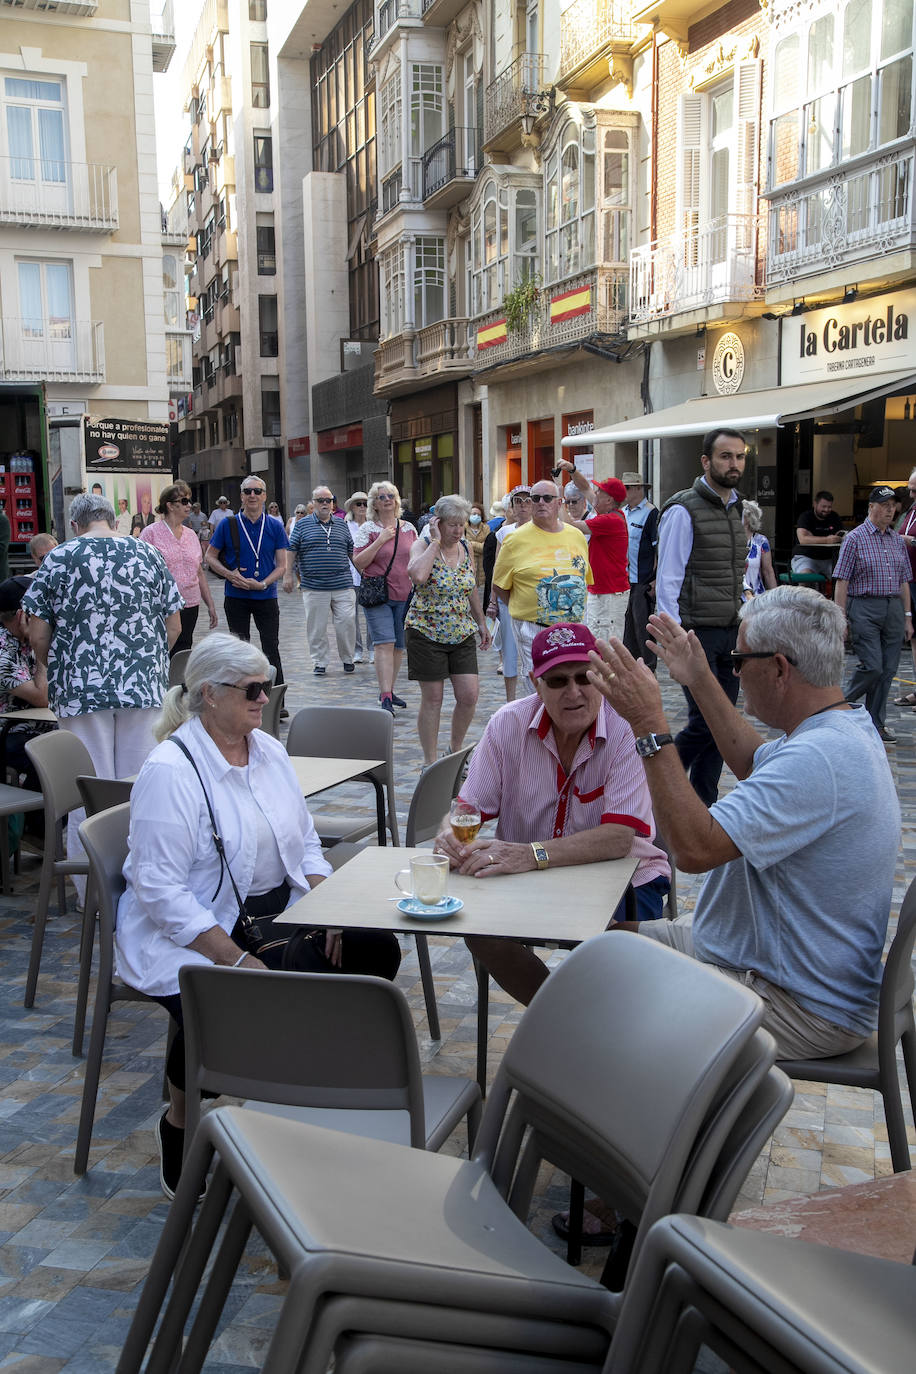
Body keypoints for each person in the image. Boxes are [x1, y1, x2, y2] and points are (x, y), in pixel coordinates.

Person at [114, 634, 401, 1198]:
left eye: (267, 686)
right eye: (251, 689)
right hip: (194, 927)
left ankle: (303, 1090)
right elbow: (160, 890)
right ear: (209, 694)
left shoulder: (266, 750)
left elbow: (306, 844)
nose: (264, 698)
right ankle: (181, 1119)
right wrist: (235, 958)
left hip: (273, 912)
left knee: (372, 949)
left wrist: (328, 904)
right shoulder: (171, 771)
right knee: (239, 995)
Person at [588, 586, 900, 1061]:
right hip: (761, 957)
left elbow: (694, 849)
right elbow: (754, 761)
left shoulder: (821, 756)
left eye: (738, 660)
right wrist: (699, 679)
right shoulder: (840, 726)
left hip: (795, 1000)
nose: (733, 671)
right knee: (602, 941)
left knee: (597, 1006)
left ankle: (627, 1105)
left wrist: (648, 723)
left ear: (779, 668)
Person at [433, 622, 670, 1007]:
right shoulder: (506, 724)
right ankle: (561, 1015)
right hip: (529, 881)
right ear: (536, 683)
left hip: (626, 877)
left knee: (616, 952)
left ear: (601, 677)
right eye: (558, 681)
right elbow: (467, 809)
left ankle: (591, 1022)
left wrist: (531, 854)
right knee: (478, 929)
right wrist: (449, 834)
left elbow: (618, 838)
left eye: (584, 677)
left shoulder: (627, 728)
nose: (574, 692)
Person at [23, 493, 182, 879]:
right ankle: (143, 878)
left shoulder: (59, 557)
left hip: (80, 686)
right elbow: (174, 625)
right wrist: (147, 663)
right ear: (113, 520)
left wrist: (59, 667)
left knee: (87, 790)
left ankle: (91, 887)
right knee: (138, 785)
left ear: (74, 525)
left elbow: (37, 633)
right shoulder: (149, 554)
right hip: (141, 683)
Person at [655, 428, 747, 805]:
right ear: (706, 462)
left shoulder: (737, 507)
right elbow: (668, 579)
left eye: (739, 456)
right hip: (696, 634)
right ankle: (655, 785)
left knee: (722, 723)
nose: (734, 464)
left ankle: (704, 803)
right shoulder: (683, 509)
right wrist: (674, 638)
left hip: (730, 632)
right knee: (707, 722)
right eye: (726, 456)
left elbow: (735, 572)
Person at [406, 495, 491, 766]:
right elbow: (418, 576)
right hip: (426, 631)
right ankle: (430, 763)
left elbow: (470, 588)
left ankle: (454, 752)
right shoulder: (421, 545)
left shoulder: (465, 547)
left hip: (461, 631)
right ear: (437, 523)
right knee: (433, 698)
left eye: (461, 524)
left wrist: (481, 622)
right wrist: (434, 542)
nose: (457, 530)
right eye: (452, 524)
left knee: (469, 695)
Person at [492, 479, 591, 696]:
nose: (540, 503)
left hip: (573, 626)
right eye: (535, 498)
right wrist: (524, 608)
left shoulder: (576, 536)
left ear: (559, 503)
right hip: (532, 626)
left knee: (571, 683)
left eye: (547, 498)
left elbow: (584, 576)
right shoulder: (514, 539)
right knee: (539, 686)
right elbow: (499, 584)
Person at [833, 484, 912, 743]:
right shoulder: (855, 538)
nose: (890, 511)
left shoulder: (896, 540)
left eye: (893, 506)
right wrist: (840, 617)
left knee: (888, 670)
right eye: (884, 506)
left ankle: (876, 723)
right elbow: (842, 580)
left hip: (893, 607)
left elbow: (904, 580)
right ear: (871, 507)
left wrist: (908, 616)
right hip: (864, 606)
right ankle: (838, 704)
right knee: (873, 666)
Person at [205, 477, 291, 688]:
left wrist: (263, 584)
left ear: (264, 496)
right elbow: (210, 557)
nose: (252, 495)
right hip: (236, 596)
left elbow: (282, 566)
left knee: (271, 648)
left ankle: (276, 699)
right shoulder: (228, 524)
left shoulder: (274, 525)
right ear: (241, 496)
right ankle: (242, 695)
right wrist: (229, 575)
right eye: (248, 491)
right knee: (239, 650)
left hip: (266, 595)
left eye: (257, 491)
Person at [352, 481, 417, 714]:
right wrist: (380, 540)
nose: (387, 499)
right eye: (382, 497)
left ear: (397, 500)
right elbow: (359, 561)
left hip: (404, 594)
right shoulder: (368, 529)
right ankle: (386, 696)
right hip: (378, 595)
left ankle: (389, 689)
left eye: (391, 495)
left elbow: (416, 558)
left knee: (398, 646)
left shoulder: (409, 528)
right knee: (384, 643)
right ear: (375, 504)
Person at [140, 481, 218, 656]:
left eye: (189, 501)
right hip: (163, 605)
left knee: (184, 649)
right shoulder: (150, 533)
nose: (189, 505)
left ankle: (179, 675)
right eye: (184, 501)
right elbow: (142, 573)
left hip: (190, 602)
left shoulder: (191, 535)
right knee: (163, 649)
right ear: (169, 505)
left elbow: (199, 572)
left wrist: (210, 604)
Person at [557, 462, 629, 642]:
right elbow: (585, 487)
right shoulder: (610, 514)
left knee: (603, 645)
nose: (595, 493)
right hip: (605, 591)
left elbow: (569, 526)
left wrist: (560, 499)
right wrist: (572, 470)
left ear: (609, 500)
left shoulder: (610, 520)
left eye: (600, 492)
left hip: (608, 594)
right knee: (599, 641)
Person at [289, 484, 357, 676]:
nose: (325, 503)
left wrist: (364, 573)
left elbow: (351, 552)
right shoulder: (302, 525)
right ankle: (320, 661)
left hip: (343, 584)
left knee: (346, 623)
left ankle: (348, 658)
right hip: (314, 586)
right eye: (321, 500)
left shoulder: (341, 524)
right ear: (313, 503)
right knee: (316, 627)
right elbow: (291, 550)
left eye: (329, 500)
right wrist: (287, 575)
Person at [0, 576, 53, 792]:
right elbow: (42, 697)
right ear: (23, 615)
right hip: (9, 732)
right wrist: (39, 645)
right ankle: (44, 813)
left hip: (40, 727)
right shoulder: (3, 650)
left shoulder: (25, 639)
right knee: (53, 759)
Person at [484, 488, 531, 701]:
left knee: (533, 653)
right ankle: (510, 701)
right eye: (518, 501)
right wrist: (493, 601)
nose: (522, 505)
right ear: (511, 506)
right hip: (508, 599)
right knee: (509, 653)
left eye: (527, 501)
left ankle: (535, 699)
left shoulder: (541, 530)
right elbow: (498, 568)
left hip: (532, 600)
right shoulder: (504, 532)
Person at [619, 471, 659, 672]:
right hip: (624, 580)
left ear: (638, 489)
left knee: (643, 629)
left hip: (643, 580)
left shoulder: (651, 513)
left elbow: (658, 549)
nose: (624, 492)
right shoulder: (623, 512)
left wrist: (655, 580)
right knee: (627, 628)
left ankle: (648, 670)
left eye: (626, 488)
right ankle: (631, 670)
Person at [895, 467, 916, 707]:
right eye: (910, 489)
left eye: (915, 491)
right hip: (909, 580)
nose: (911, 495)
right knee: (913, 637)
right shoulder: (911, 511)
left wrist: (911, 541)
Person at [345, 491, 373, 664]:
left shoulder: (373, 526)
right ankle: (357, 650)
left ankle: (372, 648)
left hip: (370, 576)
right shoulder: (345, 526)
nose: (362, 507)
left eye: (365, 503)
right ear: (352, 507)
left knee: (371, 615)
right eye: (358, 503)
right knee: (351, 617)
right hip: (350, 577)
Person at [791, 490, 845, 577]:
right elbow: (803, 539)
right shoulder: (806, 517)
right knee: (806, 577)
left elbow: (841, 535)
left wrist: (813, 538)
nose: (826, 510)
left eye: (829, 507)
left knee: (843, 576)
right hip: (806, 556)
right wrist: (827, 540)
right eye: (823, 506)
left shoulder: (834, 517)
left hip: (829, 559)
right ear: (815, 504)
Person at [742, 500, 777, 599]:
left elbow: (768, 571)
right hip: (735, 597)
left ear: (748, 518)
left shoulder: (761, 541)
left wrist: (776, 598)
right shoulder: (730, 540)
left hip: (756, 597)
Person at [465, 502, 488, 590]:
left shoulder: (486, 528)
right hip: (469, 564)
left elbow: (486, 547)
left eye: (479, 514)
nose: (476, 516)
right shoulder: (464, 528)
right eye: (474, 514)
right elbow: (463, 545)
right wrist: (479, 546)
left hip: (482, 567)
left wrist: (470, 544)